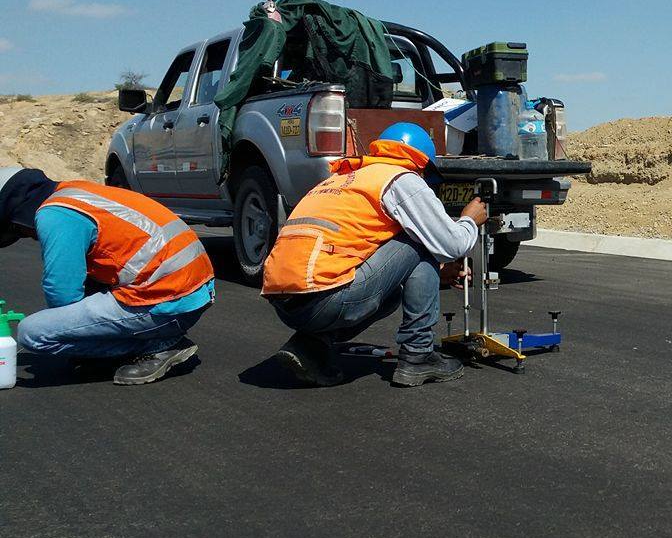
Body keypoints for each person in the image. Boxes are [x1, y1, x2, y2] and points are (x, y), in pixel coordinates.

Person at [261, 122, 486, 387]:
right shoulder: (401, 178)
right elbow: (452, 245)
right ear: (421, 162)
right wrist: (469, 220)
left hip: (288, 304)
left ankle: (310, 344)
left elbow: (362, 250)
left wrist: (436, 272)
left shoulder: (345, 178)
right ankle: (418, 354)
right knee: (420, 240)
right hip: (327, 298)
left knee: (391, 294)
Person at [0, 167, 215, 385]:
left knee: (33, 333)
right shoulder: (76, 192)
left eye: (18, 231)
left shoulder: (54, 214)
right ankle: (151, 339)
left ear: (16, 215)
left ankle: (158, 346)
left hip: (167, 300)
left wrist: (77, 340)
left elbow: (61, 293)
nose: (29, 236)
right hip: (194, 289)